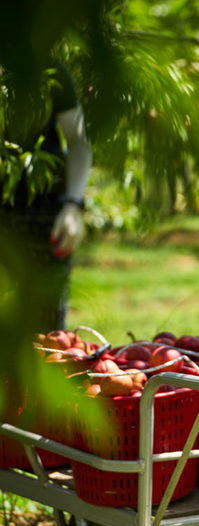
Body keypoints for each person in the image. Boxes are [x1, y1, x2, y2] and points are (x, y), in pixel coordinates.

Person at [0, 60, 91, 333]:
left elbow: (78, 143)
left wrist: (74, 205)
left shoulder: (48, 69)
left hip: (47, 214)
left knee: (46, 333)